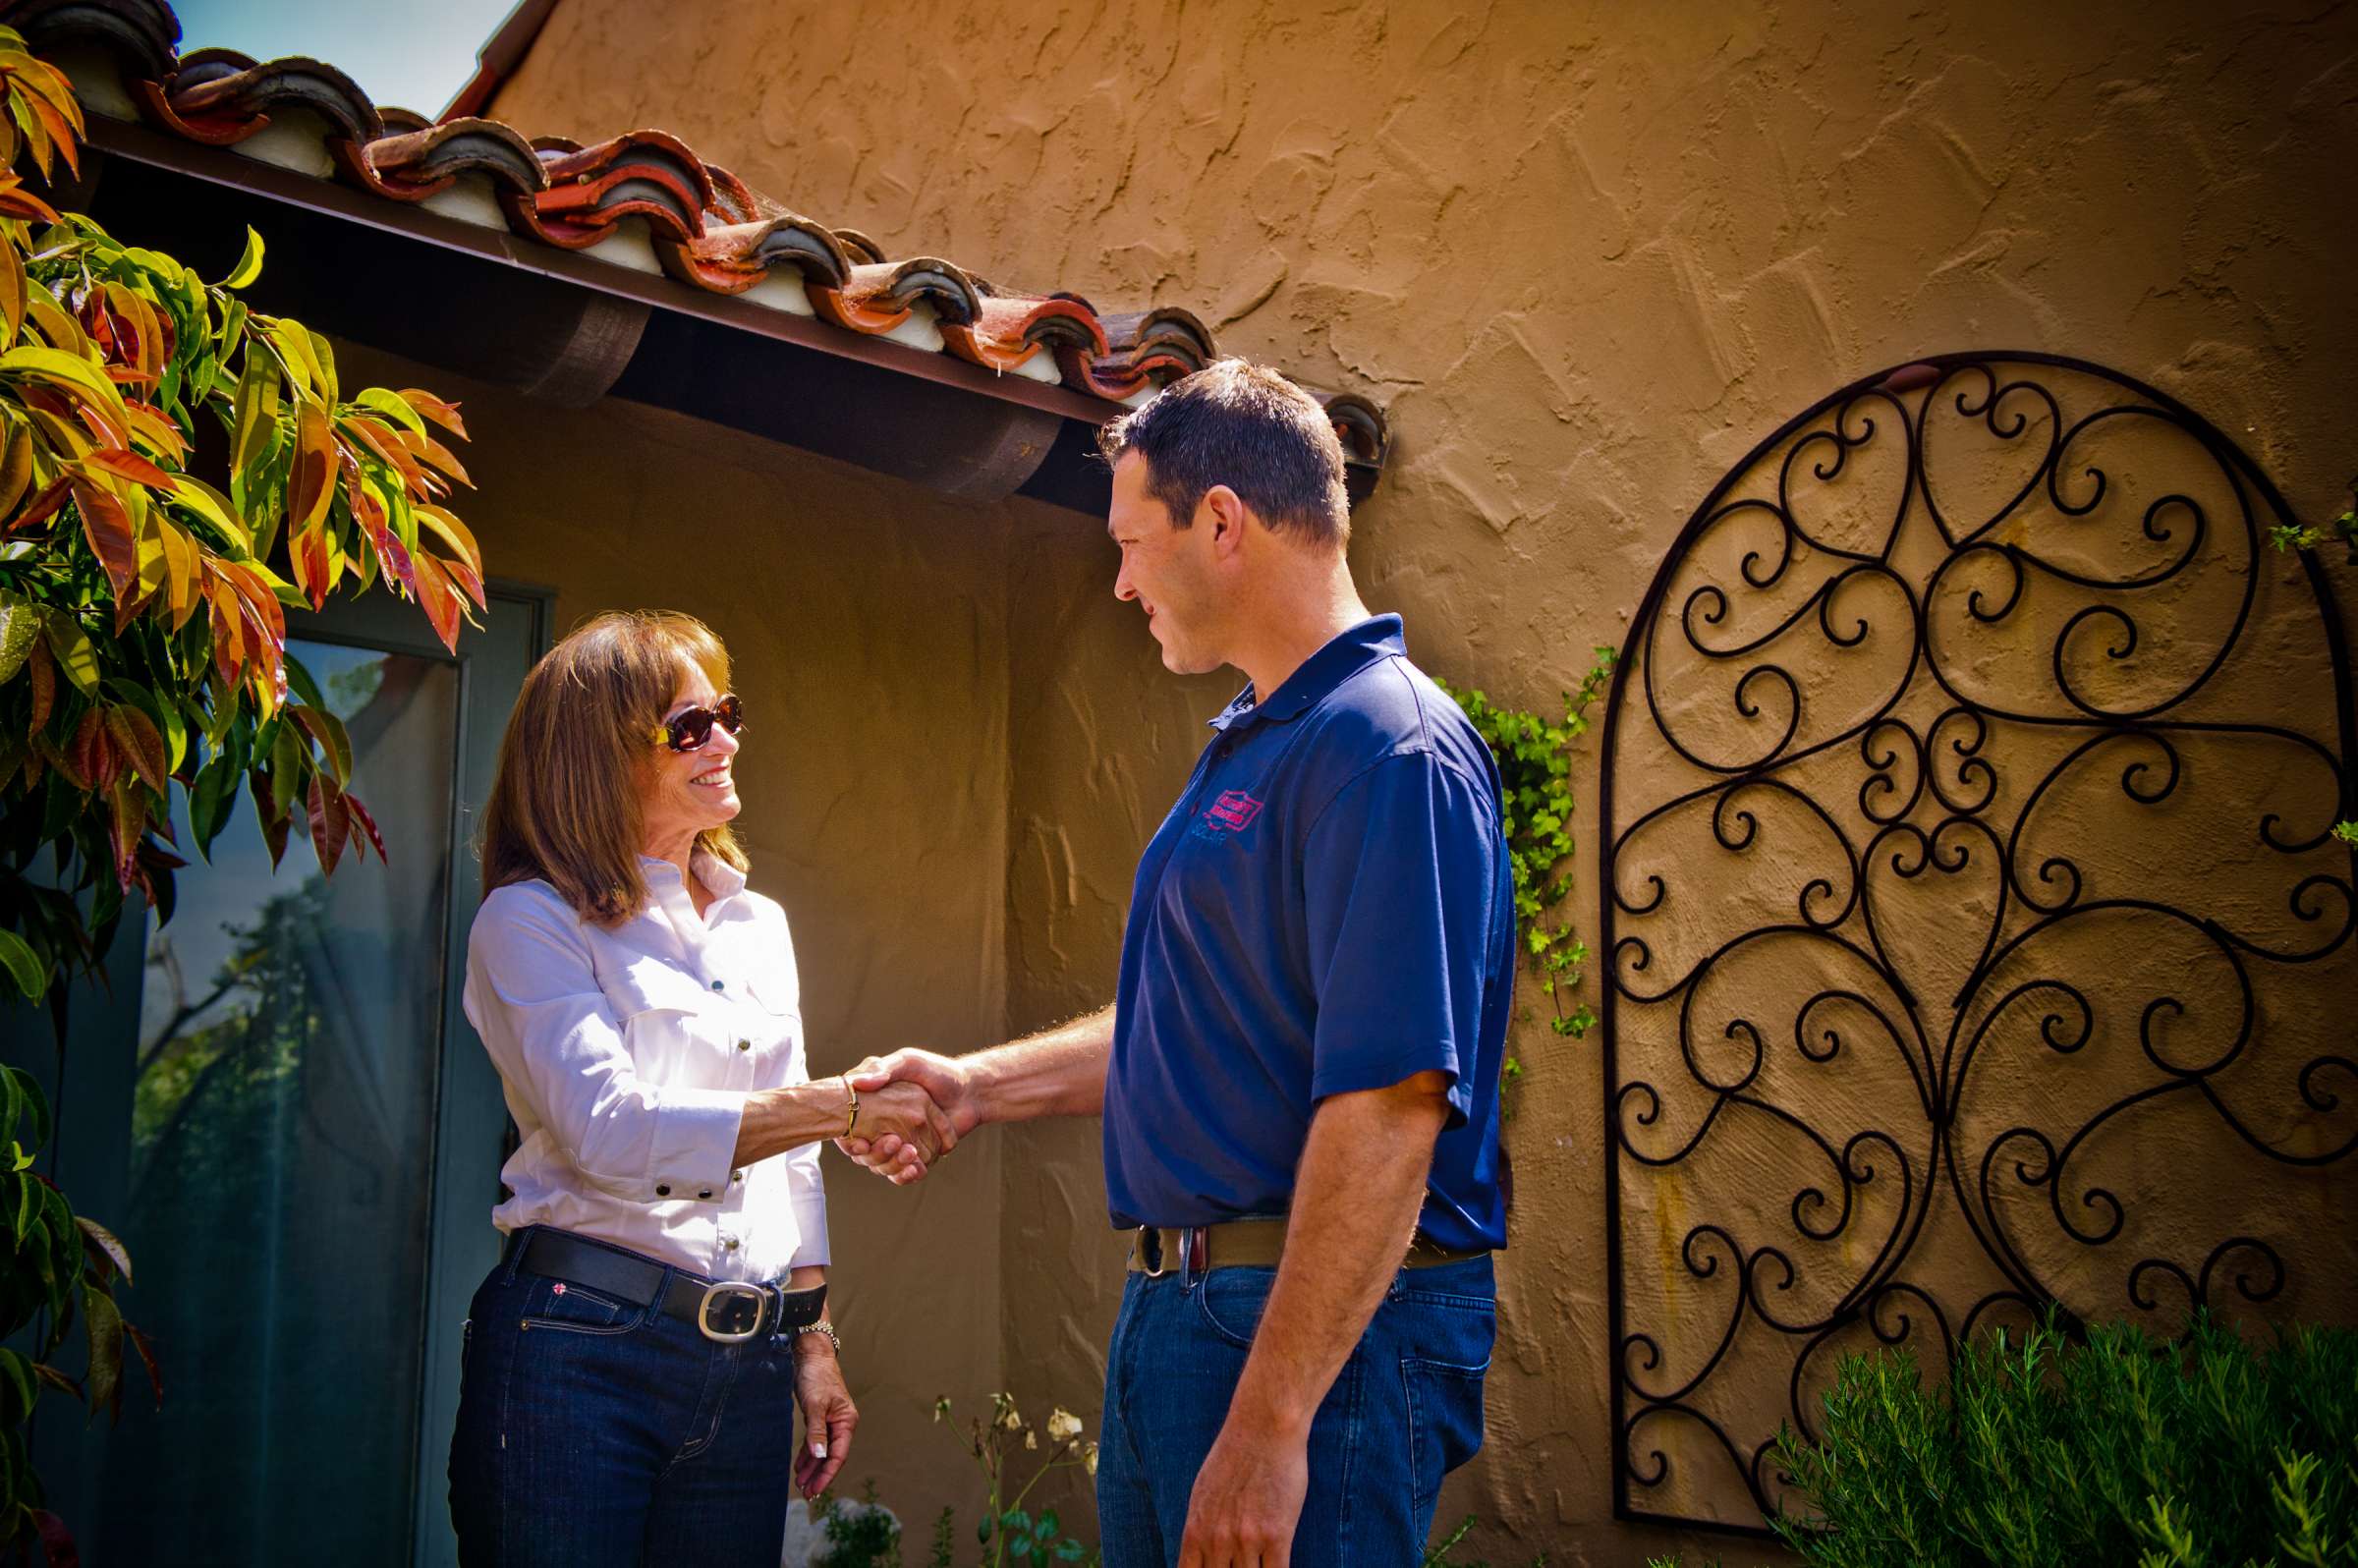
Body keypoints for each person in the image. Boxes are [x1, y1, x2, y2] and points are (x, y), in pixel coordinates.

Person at [841, 363, 1514, 1568]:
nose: (1119, 580)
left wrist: (1270, 1423)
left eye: (1131, 542)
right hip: (1189, 1318)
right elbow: (1207, 1024)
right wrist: (979, 1088)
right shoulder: (1268, 735)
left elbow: (1394, 1105)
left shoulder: (1387, 746)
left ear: (1220, 521)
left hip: (1302, 1341)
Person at [446, 610, 953, 1568]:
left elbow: (789, 1158)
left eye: (726, 712)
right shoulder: (528, 922)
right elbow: (612, 1132)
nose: (723, 740)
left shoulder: (757, 922)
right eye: (688, 727)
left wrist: (811, 1340)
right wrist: (842, 1104)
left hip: (747, 1361)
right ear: (597, 756)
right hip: (577, 1351)